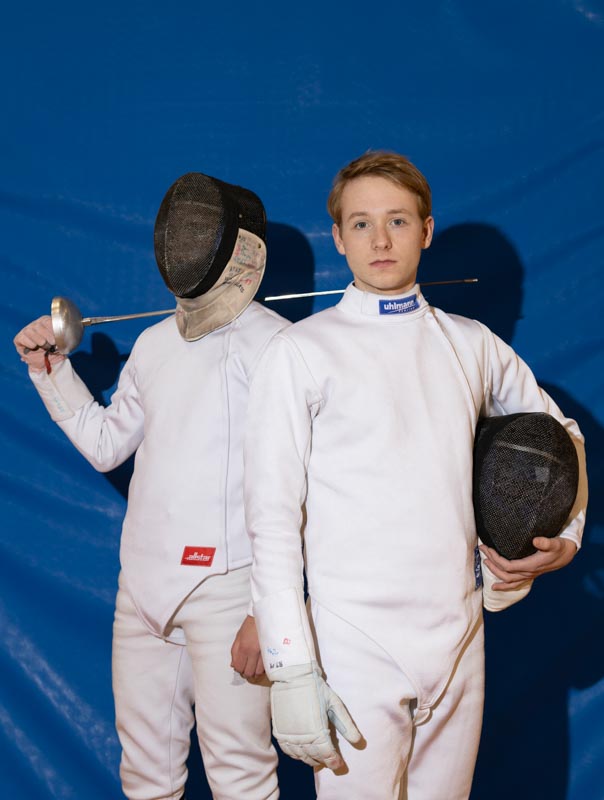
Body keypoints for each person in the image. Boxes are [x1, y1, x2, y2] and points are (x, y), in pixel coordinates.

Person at [243, 151, 588, 800]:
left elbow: (560, 435)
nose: (380, 240)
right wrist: (291, 666)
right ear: (338, 237)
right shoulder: (300, 352)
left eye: (397, 221)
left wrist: (564, 538)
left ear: (426, 231)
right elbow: (271, 516)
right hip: (353, 644)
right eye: (362, 223)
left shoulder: (470, 343)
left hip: (459, 637)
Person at [13, 172, 288, 800]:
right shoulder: (154, 343)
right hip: (141, 589)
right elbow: (107, 444)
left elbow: (304, 489)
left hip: (230, 590)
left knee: (240, 773)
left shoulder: (280, 345)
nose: (185, 243)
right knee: (145, 774)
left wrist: (267, 609)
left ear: (239, 245)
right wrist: (51, 371)